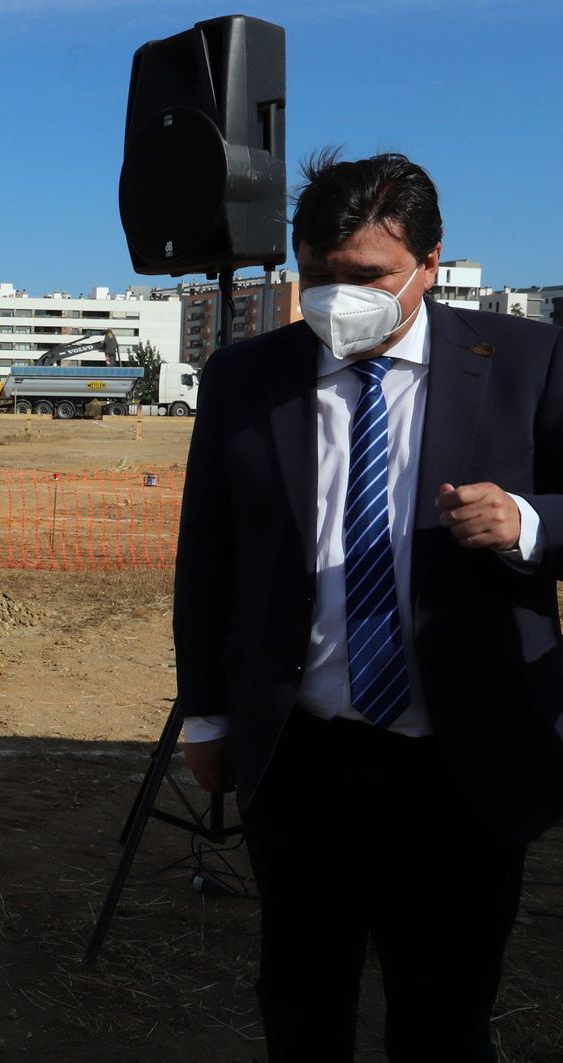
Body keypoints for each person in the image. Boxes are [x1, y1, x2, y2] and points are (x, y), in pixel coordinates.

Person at [175, 150, 563, 1060]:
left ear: (429, 264)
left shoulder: (526, 362)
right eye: (316, 274)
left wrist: (528, 525)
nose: (335, 297)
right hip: (303, 753)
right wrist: (207, 709)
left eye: (367, 277)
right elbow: (209, 557)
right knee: (303, 998)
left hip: (458, 761)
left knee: (444, 1011)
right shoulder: (246, 377)